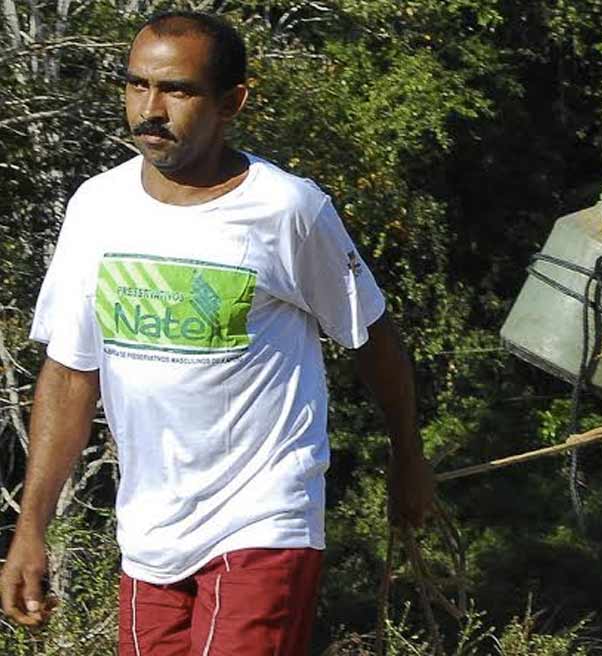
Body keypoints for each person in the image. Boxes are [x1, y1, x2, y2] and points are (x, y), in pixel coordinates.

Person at [0, 10, 435, 654]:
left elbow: (373, 339)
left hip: (263, 518)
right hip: (150, 537)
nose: (150, 108)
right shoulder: (96, 208)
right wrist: (30, 525)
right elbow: (69, 376)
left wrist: (408, 457)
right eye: (136, 85)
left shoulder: (288, 209)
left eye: (177, 90)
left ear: (232, 101)